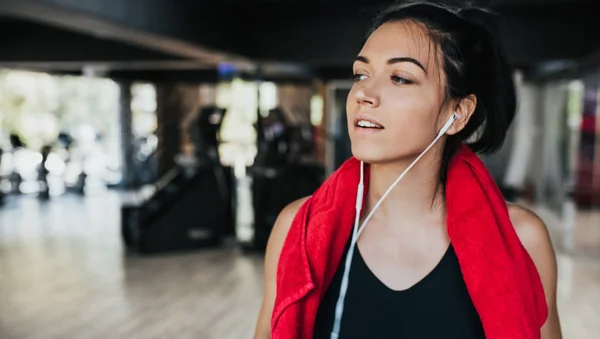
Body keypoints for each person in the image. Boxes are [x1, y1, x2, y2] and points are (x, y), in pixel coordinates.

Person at [254, 1, 561, 338]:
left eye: (400, 78)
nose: (363, 94)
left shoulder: (522, 239)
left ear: (457, 113)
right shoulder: (295, 229)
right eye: (361, 74)